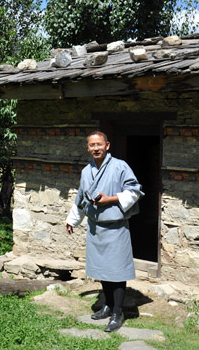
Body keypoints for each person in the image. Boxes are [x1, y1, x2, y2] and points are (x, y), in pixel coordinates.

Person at [65, 131, 143, 332]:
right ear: (88, 148)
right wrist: (72, 220)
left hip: (116, 228)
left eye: (99, 144)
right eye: (92, 145)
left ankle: (118, 312)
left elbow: (135, 190)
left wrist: (111, 199)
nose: (96, 148)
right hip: (95, 229)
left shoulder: (120, 166)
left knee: (116, 271)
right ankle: (107, 306)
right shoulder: (86, 171)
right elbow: (81, 198)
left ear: (107, 146)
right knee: (102, 270)